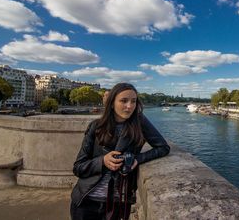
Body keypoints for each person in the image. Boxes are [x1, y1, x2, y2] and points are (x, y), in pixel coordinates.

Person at [70, 83, 170, 220]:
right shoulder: (96, 127)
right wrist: (102, 161)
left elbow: (163, 148)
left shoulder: (139, 123)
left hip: (118, 203)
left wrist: (137, 159)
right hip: (86, 201)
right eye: (124, 101)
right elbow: (78, 168)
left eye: (133, 101)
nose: (129, 106)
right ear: (112, 103)